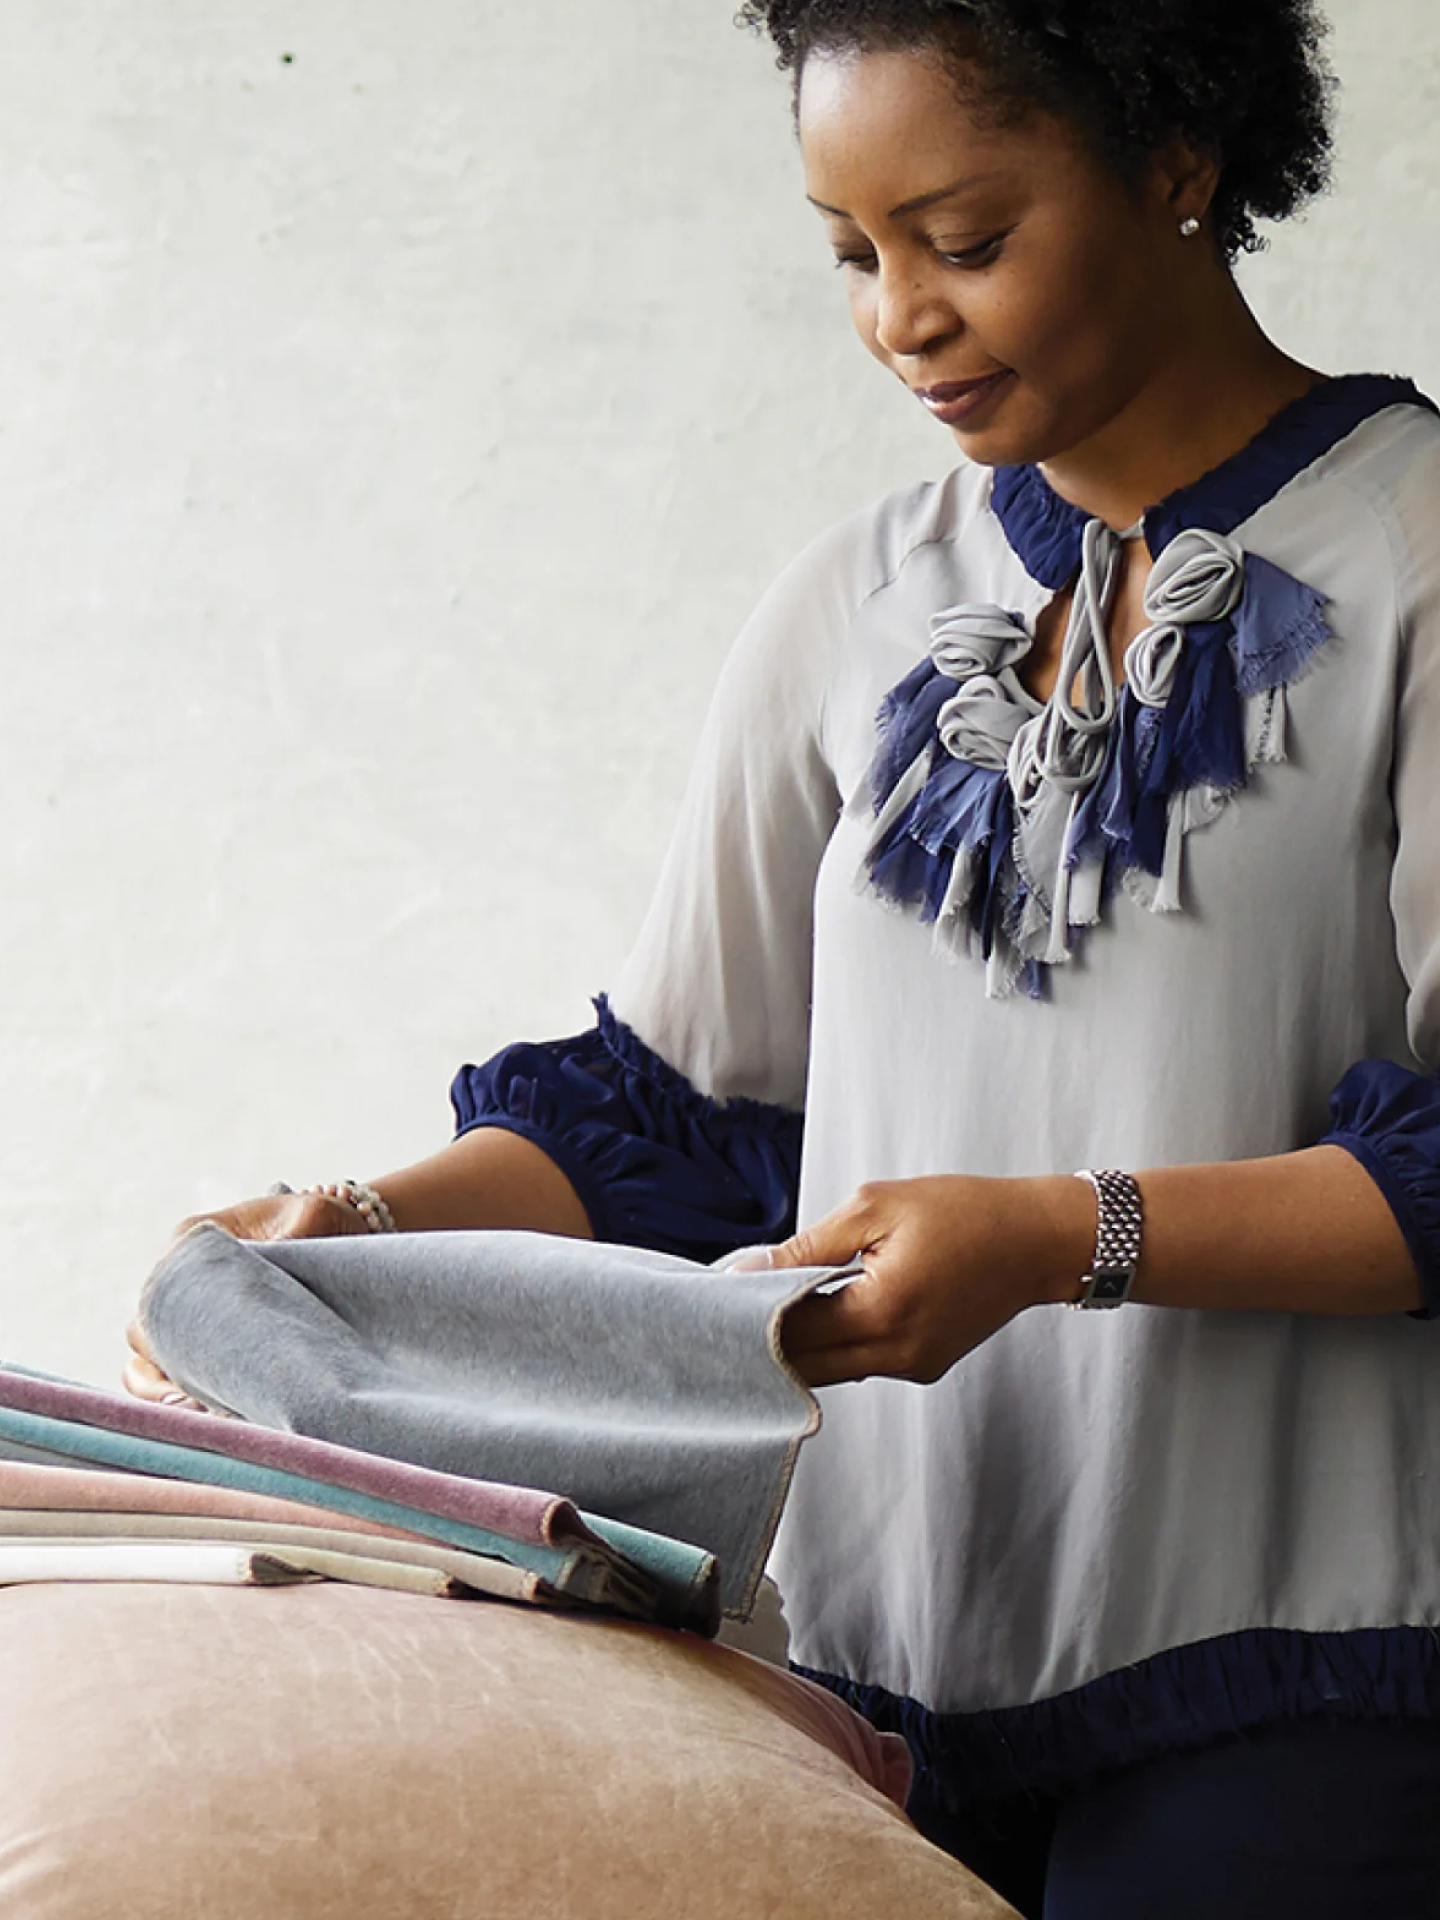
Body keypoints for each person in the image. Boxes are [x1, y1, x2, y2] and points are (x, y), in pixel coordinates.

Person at [128, 2, 1440, 1913]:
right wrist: (344, 1227)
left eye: (966, 241)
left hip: (1315, 1675)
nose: (899, 315)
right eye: (853, 251)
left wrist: (1063, 1236)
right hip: (848, 1691)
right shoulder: (858, 599)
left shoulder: (1415, 558)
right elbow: (683, 1124)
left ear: (1179, 165)